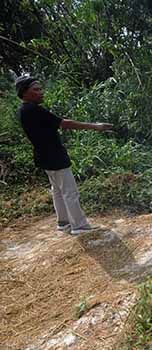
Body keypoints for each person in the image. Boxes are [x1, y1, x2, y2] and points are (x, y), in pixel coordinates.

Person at [15, 75, 113, 235]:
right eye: (36, 90)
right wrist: (96, 126)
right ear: (24, 93)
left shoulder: (22, 111)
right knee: (70, 192)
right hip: (55, 155)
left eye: (40, 89)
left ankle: (64, 223)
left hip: (43, 156)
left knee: (58, 191)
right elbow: (65, 123)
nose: (41, 92)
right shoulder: (33, 109)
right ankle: (79, 226)